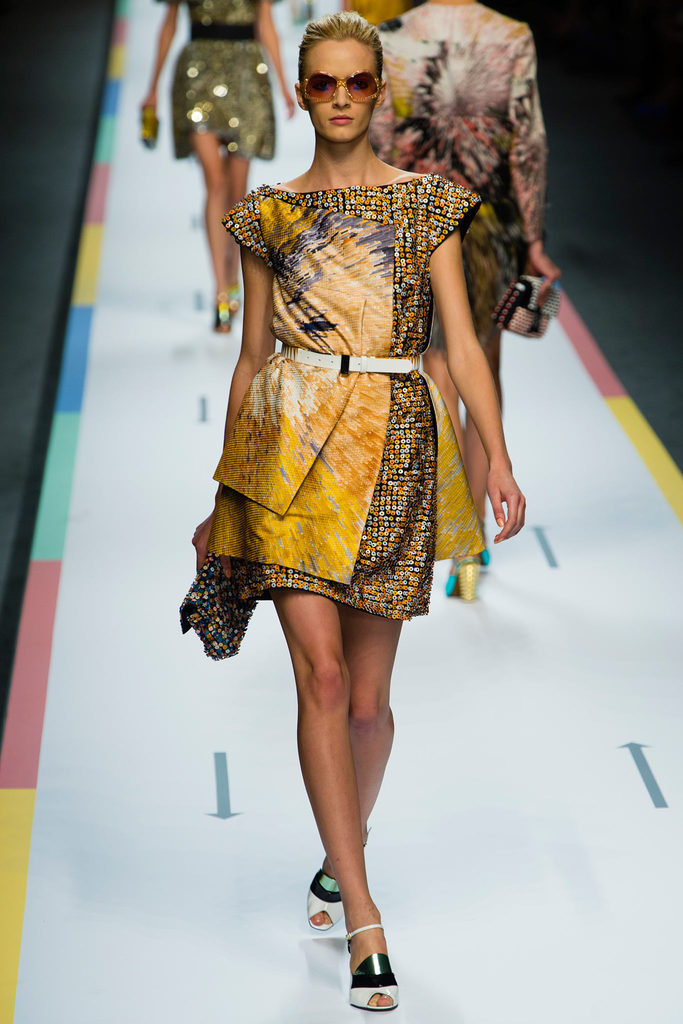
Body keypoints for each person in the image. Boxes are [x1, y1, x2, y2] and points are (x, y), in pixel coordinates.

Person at [184, 10, 525, 1011]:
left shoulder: (425, 205)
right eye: (323, 83)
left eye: (356, 82)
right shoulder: (268, 214)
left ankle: (342, 854)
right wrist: (223, 495)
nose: (339, 99)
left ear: (379, 91)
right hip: (288, 450)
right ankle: (365, 919)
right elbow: (251, 359)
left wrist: (496, 456)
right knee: (323, 678)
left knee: (368, 704)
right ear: (300, 95)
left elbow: (459, 346)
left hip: (393, 450)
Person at [370, 0, 560, 598]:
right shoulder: (511, 35)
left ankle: (435, 529)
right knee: (483, 369)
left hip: (416, 220)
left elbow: (379, 140)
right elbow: (527, 144)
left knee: (434, 373)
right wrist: (534, 239)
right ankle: (472, 546)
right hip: (491, 222)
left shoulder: (393, 36)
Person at [141, 0, 295, 332]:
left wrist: (284, 84)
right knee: (215, 183)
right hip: (197, 75)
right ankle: (220, 291)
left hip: (246, 75)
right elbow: (169, 25)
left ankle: (232, 275)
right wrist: (152, 89)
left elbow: (266, 23)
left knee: (237, 193)